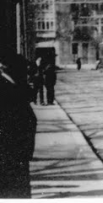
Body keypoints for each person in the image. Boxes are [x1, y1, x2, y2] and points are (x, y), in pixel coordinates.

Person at [0, 52, 38, 198]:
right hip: (10, 155)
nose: (26, 73)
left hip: (16, 154)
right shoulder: (5, 87)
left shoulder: (11, 84)